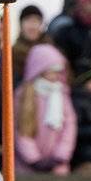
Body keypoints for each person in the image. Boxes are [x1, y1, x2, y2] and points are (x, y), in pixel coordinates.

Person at [15, 44, 77, 174]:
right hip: (27, 168)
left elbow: (69, 126)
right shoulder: (23, 95)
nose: (56, 75)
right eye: (52, 70)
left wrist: (61, 156)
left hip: (57, 167)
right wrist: (33, 159)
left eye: (59, 71)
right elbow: (19, 129)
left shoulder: (62, 94)